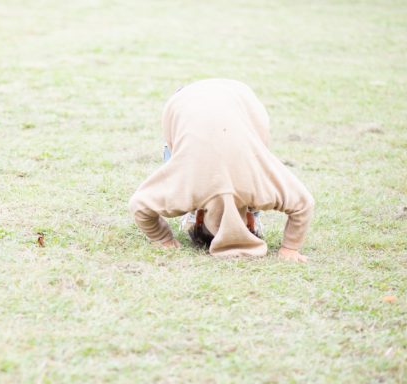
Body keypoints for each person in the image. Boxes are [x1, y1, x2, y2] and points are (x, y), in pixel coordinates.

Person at [128, 79, 314, 263]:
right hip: (196, 99)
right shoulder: (185, 191)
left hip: (233, 97)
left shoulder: (262, 189)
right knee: (183, 154)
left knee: (254, 152)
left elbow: (303, 205)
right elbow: (140, 207)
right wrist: (289, 249)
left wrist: (290, 247)